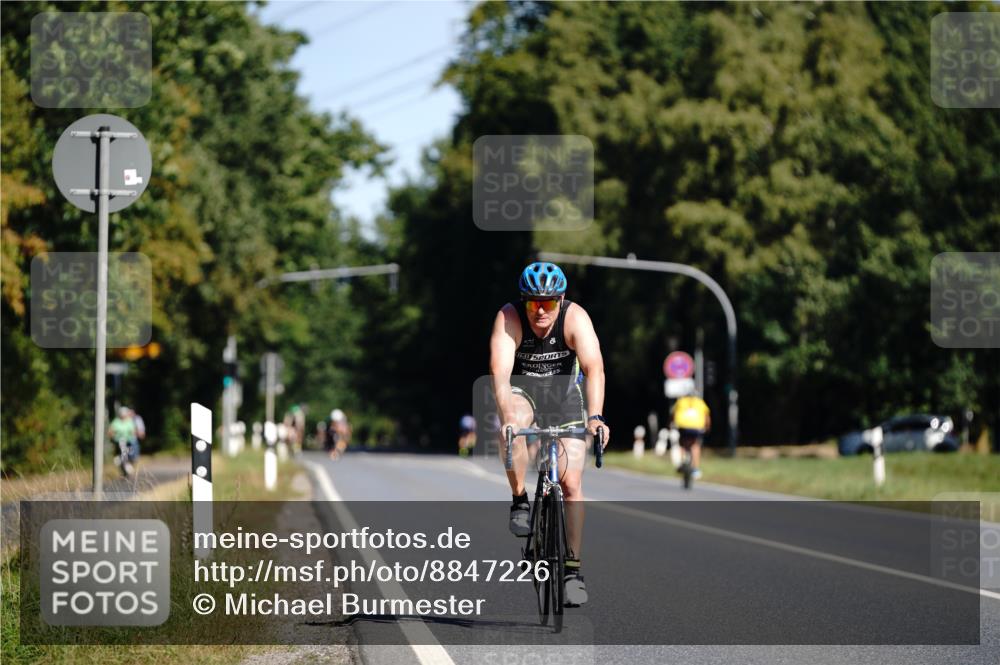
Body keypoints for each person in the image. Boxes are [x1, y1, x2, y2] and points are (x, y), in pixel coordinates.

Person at [489, 261, 610, 607]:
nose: (540, 311)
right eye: (533, 304)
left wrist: (597, 417)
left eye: (549, 303)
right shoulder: (508, 318)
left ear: (560, 300)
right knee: (510, 428)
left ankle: (572, 571)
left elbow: (594, 368)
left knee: (571, 484)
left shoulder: (575, 318)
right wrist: (509, 418)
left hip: (564, 397)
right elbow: (500, 374)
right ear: (523, 301)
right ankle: (520, 501)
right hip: (523, 393)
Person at [671, 390, 711, 479]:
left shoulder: (681, 401)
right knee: (695, 445)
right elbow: (706, 415)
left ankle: (682, 463)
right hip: (697, 427)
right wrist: (707, 427)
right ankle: (696, 468)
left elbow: (673, 414)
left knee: (682, 443)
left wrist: (671, 424)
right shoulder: (700, 402)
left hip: (683, 426)